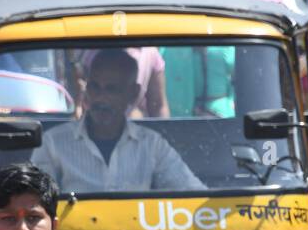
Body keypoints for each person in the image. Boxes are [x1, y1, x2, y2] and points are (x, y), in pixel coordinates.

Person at [30, 48, 202, 193]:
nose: (100, 98)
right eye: (95, 87)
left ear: (133, 94)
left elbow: (192, 192)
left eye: (111, 90)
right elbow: (36, 203)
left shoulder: (152, 145)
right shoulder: (53, 144)